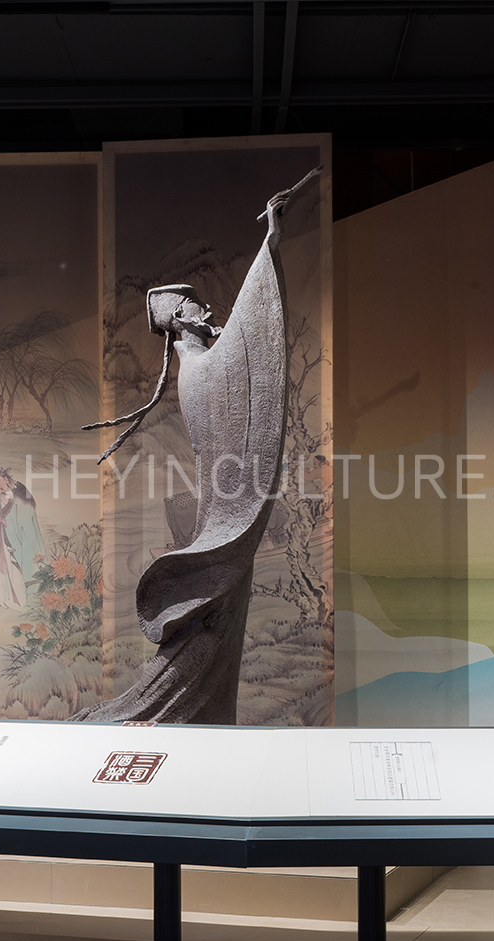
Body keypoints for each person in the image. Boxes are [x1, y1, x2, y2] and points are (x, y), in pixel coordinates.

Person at [71, 168, 319, 724]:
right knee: (213, 624)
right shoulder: (201, 373)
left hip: (223, 513)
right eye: (195, 308)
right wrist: (269, 243)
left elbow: (239, 345)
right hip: (224, 519)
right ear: (180, 321)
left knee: (222, 619)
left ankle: (205, 711)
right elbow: (243, 342)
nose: (206, 312)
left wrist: (271, 238)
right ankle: (189, 709)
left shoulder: (204, 365)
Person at [0, 468, 45, 609]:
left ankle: (19, 602)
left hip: (16, 540)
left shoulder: (20, 496)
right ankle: (2, 598)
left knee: (15, 568)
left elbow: (27, 520)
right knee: (0, 567)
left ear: (6, 479)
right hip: (0, 539)